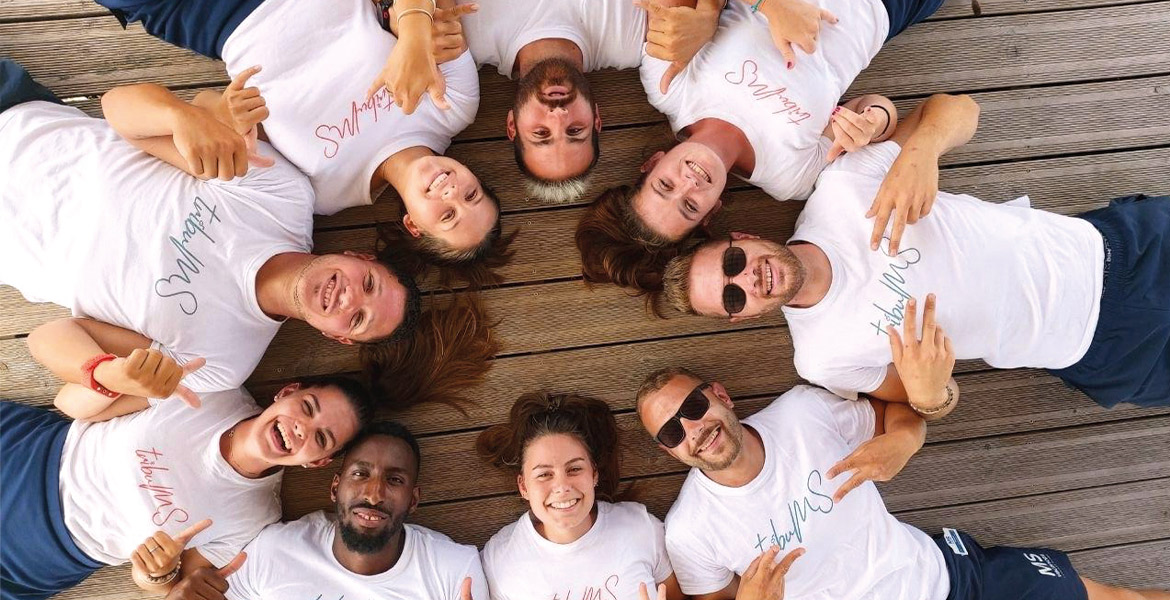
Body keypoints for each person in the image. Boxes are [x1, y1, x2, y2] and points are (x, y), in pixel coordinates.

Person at [658, 94, 1170, 414]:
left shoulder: (841, 189)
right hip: (1102, 352)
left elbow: (959, 110)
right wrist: (930, 396)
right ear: (737, 317)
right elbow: (925, 402)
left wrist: (922, 153)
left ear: (742, 235)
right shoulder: (823, 358)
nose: (746, 280)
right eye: (730, 297)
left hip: (1117, 251)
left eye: (731, 263)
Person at [635, 366, 1170, 600]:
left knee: (1106, 597)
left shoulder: (801, 414)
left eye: (692, 406)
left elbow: (899, 410)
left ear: (720, 396)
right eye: (669, 432)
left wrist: (906, 441)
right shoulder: (690, 532)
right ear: (667, 450)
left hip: (946, 581)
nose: (691, 429)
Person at [94, 0, 514, 286]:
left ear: (414, 226)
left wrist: (225, 114)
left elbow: (210, 117)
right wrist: (415, 33)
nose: (451, 192)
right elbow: (433, 12)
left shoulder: (322, 195)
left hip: (203, 15)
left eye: (447, 216)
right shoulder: (454, 107)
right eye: (472, 195)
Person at [576, 0, 958, 291]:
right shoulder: (787, 179)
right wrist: (871, 124)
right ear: (711, 212)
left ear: (652, 163)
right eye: (690, 207)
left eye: (665, 186)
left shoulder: (669, 86)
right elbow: (875, 108)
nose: (689, 184)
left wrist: (769, 4)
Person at [0, 372, 372, 600]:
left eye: (321, 438)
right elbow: (71, 404)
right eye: (307, 407)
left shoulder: (256, 520)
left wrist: (157, 573)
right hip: (25, 450)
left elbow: (174, 587)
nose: (300, 428)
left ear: (317, 462)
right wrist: (122, 374)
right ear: (287, 391)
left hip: (39, 554)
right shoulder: (212, 388)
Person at [158, 421, 488, 600]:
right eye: (360, 474)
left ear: (413, 499)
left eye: (395, 479)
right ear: (335, 488)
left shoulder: (456, 571)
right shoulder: (276, 551)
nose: (374, 494)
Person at [458, 0, 735, 203]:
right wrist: (708, 14)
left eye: (541, 133)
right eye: (575, 131)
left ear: (512, 125)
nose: (558, 116)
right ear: (596, 119)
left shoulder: (465, 32)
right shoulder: (636, 39)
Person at [475, 392, 682, 599]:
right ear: (523, 486)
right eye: (544, 474)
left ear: (593, 473)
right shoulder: (499, 558)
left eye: (574, 469)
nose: (562, 486)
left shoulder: (641, 528)